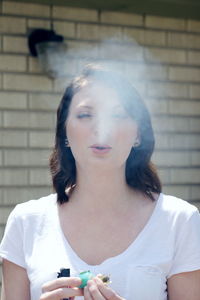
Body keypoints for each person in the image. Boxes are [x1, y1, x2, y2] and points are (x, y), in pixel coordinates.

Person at [1, 64, 200, 300]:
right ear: (64, 132)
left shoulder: (179, 221)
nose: (101, 128)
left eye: (117, 115)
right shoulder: (26, 222)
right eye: (85, 115)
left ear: (138, 134)